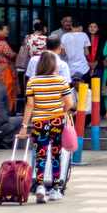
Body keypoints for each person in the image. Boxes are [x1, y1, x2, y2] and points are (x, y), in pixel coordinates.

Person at [17, 51, 75, 202]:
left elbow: (30, 105)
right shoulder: (61, 81)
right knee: (56, 154)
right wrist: (59, 111)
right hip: (57, 121)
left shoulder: (33, 82)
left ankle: (40, 186)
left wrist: (24, 125)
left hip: (39, 122)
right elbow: (70, 104)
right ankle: (55, 189)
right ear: (54, 64)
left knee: (40, 154)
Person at [59, 19, 91, 89]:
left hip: (70, 69)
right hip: (83, 68)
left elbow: (63, 53)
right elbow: (87, 53)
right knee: (84, 92)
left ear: (71, 27)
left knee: (71, 92)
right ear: (80, 27)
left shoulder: (64, 36)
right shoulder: (84, 35)